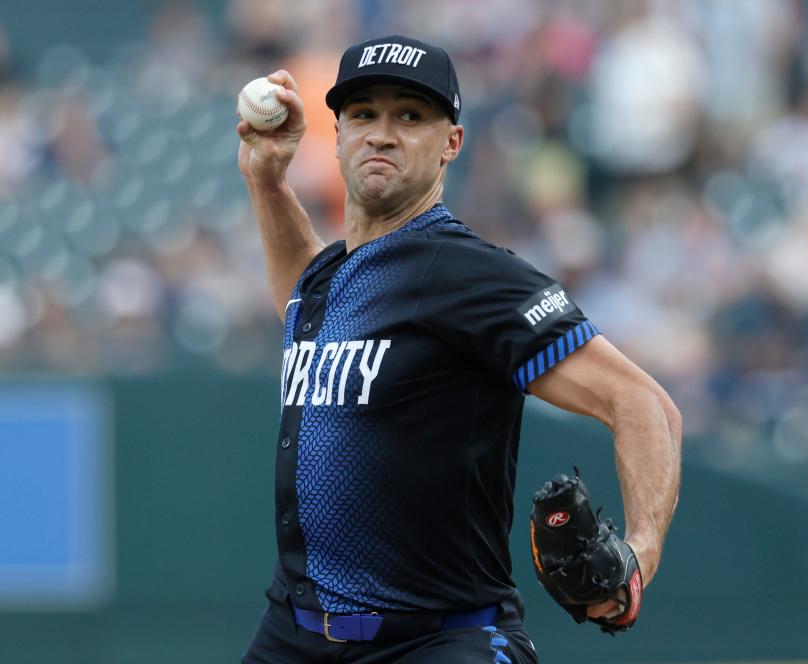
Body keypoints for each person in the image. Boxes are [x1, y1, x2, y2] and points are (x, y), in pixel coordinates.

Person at [236, 34, 682, 664]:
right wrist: (265, 179)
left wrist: (639, 555)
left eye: (410, 117)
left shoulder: (470, 275)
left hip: (441, 638)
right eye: (363, 115)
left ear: (452, 144)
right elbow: (301, 298)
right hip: (296, 634)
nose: (382, 134)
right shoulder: (331, 280)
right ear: (335, 138)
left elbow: (643, 403)